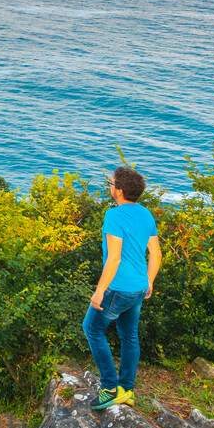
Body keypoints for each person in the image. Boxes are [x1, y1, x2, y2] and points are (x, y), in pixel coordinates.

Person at [83, 164, 160, 412]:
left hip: (117, 288)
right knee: (130, 336)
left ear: (119, 190)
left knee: (92, 329)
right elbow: (156, 254)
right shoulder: (145, 214)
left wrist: (99, 290)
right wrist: (149, 281)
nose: (109, 186)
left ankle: (109, 389)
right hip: (138, 287)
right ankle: (126, 390)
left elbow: (114, 258)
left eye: (111, 183)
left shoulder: (113, 216)